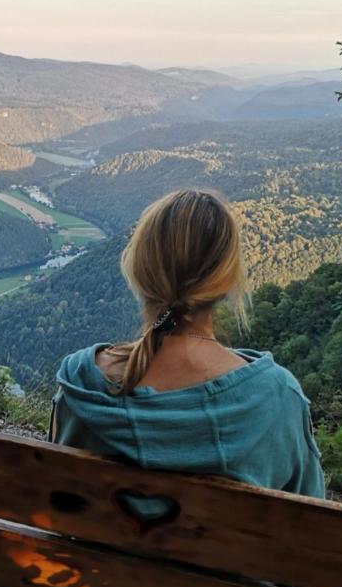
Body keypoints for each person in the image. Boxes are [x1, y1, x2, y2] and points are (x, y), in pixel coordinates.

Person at [50, 189, 325, 502]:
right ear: (226, 282)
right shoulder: (278, 399)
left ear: (139, 273)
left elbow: (57, 499)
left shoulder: (80, 384)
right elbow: (310, 531)